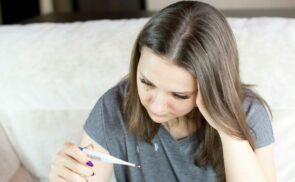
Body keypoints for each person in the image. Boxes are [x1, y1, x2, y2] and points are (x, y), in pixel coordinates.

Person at [49, 1, 276, 181]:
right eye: (146, 82)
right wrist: (67, 176)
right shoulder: (113, 108)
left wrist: (227, 128)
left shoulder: (249, 114)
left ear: (211, 88)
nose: (156, 106)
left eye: (179, 95)